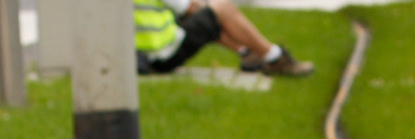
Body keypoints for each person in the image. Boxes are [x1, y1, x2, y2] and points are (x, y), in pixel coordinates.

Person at [134, 0, 314, 78]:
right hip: (162, 55)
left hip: (141, 54)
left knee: (209, 17)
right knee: (221, 9)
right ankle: (275, 57)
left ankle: (248, 54)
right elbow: (187, 8)